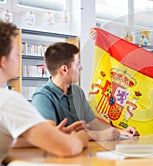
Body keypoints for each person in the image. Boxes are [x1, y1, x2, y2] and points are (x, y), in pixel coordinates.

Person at [0, 21, 88, 163]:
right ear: (3, 61)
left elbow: (11, 140)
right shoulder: (7, 100)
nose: (18, 58)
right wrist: (79, 137)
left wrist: (51, 135)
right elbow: (70, 148)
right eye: (16, 53)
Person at [31, 42, 139, 141]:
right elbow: (50, 135)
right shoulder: (42, 96)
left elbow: (93, 122)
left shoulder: (77, 91)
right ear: (64, 69)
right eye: (77, 64)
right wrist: (98, 136)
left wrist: (120, 132)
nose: (81, 68)